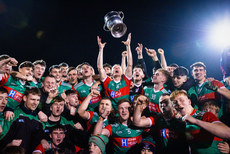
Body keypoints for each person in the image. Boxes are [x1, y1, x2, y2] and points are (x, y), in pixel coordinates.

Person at [0, 87, 45, 154]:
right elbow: (2, 138)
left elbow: (40, 142)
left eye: (38, 100)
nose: (35, 103)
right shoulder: (13, 114)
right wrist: (9, 145)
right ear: (24, 98)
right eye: (32, 99)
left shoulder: (41, 120)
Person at [97, 33, 133, 110]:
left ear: (122, 71)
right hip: (112, 114)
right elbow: (100, 68)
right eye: (114, 68)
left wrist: (128, 46)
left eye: (118, 67)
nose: (116, 68)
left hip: (125, 112)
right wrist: (101, 49)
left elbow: (130, 65)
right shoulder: (108, 82)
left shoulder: (126, 80)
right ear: (111, 72)